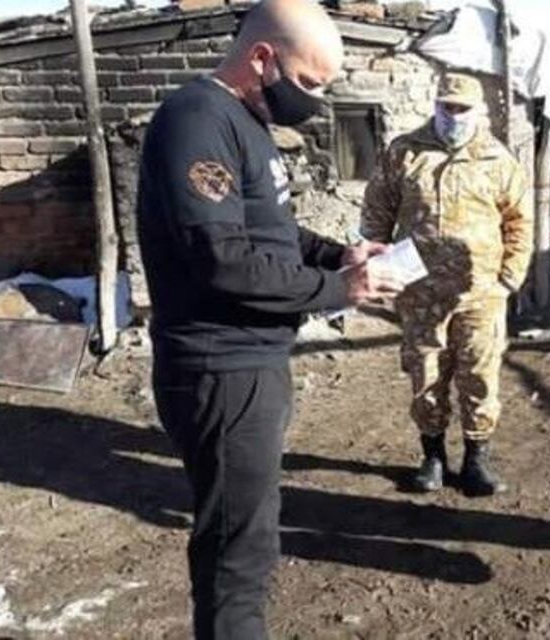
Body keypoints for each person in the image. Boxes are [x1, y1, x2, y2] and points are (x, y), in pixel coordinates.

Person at [136, 1, 400, 637]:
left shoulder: (246, 122)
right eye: (308, 83)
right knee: (238, 551)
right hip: (220, 368)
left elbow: (271, 231)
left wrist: (340, 253)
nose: (313, 101)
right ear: (261, 58)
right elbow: (221, 260)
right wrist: (337, 288)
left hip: (251, 362)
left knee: (250, 535)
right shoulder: (197, 119)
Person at [360, 73, 534, 497]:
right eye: (445, 106)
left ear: (478, 111)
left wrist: (509, 278)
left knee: (479, 374)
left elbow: (519, 222)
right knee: (426, 374)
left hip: (480, 293)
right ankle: (432, 457)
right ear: (435, 106)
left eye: (461, 108)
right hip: (419, 294)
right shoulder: (404, 152)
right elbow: (377, 211)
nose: (452, 115)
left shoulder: (498, 160)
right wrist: (373, 263)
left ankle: (477, 459)